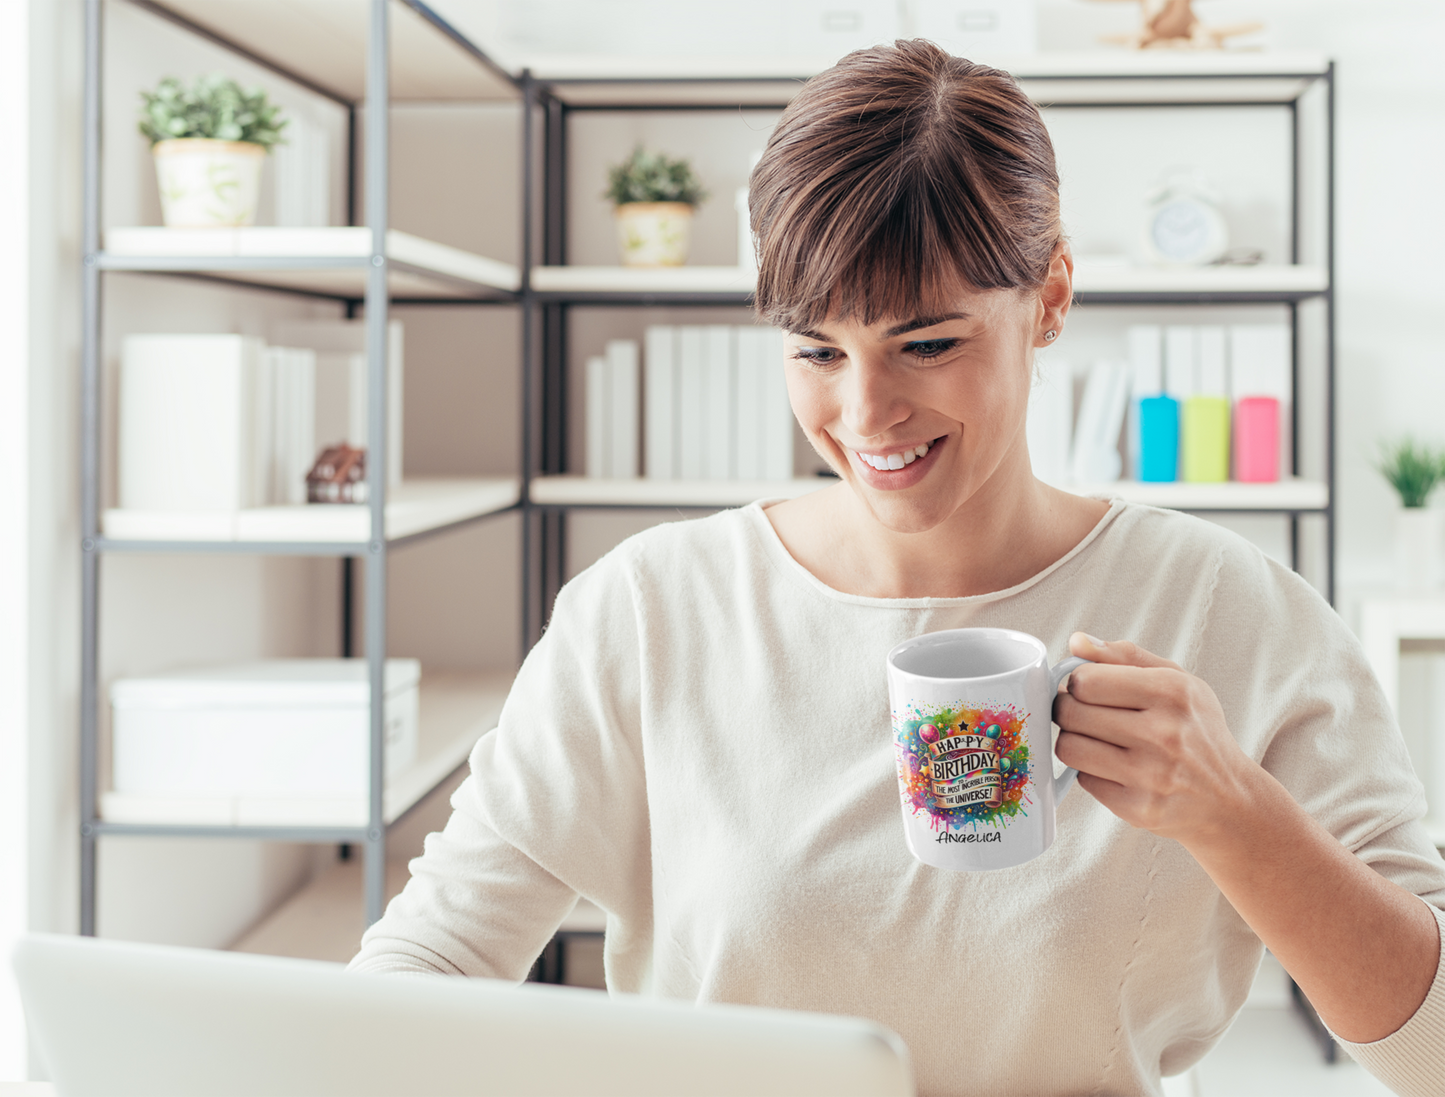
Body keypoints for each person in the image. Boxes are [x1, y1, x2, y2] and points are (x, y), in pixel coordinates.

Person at [351, 40, 1444, 1097]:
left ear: (1050, 296)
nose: (865, 415)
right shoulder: (650, 609)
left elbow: (1433, 1051)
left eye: (926, 344)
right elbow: (433, 961)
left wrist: (1236, 813)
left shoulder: (1222, 605)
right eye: (816, 350)